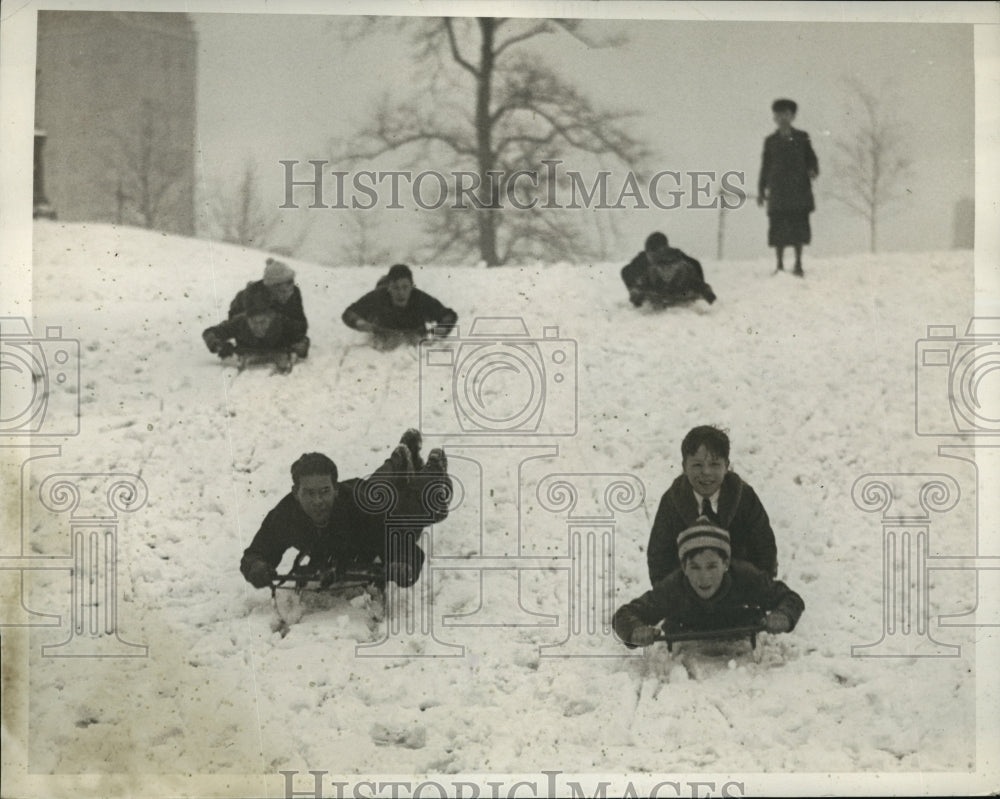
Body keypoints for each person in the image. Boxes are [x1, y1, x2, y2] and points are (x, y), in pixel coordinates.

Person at [240, 429, 451, 590]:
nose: (318, 501)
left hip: (373, 505)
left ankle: (432, 467)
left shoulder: (363, 510)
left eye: (324, 491)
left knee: (421, 506)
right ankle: (400, 458)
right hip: (363, 495)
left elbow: (405, 548)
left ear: (335, 490)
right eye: (309, 493)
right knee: (377, 486)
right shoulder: (286, 514)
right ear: (296, 493)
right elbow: (256, 553)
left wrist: (402, 565)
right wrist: (256, 567)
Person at [613, 520, 804, 647]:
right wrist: (635, 631)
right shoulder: (674, 586)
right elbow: (623, 615)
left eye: (712, 566)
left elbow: (790, 598)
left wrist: (783, 615)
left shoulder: (746, 577)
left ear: (726, 564)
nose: (704, 577)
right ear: (684, 567)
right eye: (695, 567)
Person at [646, 425, 777, 586]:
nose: (706, 472)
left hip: (739, 594)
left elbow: (765, 550)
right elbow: (659, 559)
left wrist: (757, 593)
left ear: (726, 465)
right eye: (697, 465)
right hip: (689, 596)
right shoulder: (672, 501)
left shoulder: (744, 498)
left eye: (714, 464)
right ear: (684, 466)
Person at [757, 98, 819, 277]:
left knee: (798, 226)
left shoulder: (802, 137)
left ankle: (798, 263)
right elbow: (765, 166)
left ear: (792, 116)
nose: (782, 118)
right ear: (774, 117)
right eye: (778, 114)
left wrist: (813, 170)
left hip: (799, 190)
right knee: (778, 228)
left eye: (786, 114)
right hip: (778, 192)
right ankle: (780, 265)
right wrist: (762, 190)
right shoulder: (770, 141)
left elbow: (812, 159)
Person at [342, 263, 458, 348]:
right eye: (395, 287)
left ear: (412, 287)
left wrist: (443, 327)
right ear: (388, 287)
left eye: (405, 287)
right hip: (383, 340)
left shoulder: (420, 298)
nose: (400, 293)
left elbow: (448, 315)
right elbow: (349, 313)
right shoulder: (378, 297)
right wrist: (359, 322)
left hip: (414, 339)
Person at [229, 257, 310, 357]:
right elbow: (239, 324)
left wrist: (295, 337)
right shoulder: (254, 295)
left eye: (291, 287)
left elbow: (301, 324)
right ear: (271, 288)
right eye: (282, 291)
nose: (288, 294)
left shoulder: (294, 292)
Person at [203, 283, 303, 363]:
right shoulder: (239, 322)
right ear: (247, 319)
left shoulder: (282, 322)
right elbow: (209, 333)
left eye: (263, 322)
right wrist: (219, 346)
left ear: (271, 317)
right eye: (254, 322)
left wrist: (299, 347)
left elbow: (302, 338)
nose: (259, 327)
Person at [621, 232, 716, 309]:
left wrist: (703, 290)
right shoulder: (643, 262)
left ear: (666, 249)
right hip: (657, 293)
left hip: (680, 291)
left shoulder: (681, 261)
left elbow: (694, 276)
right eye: (650, 253)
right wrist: (637, 293)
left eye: (657, 252)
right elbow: (629, 273)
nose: (652, 256)